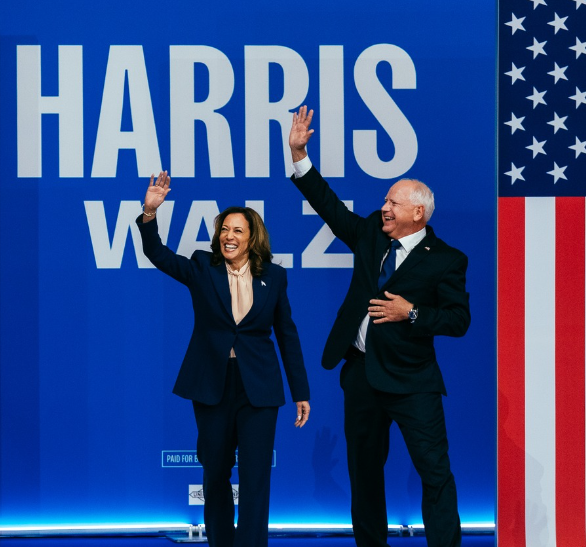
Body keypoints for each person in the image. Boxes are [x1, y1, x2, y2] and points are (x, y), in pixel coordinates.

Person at [288, 106, 470, 547]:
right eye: (385, 201)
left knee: (435, 474)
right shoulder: (371, 233)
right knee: (364, 475)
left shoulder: (447, 259)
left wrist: (411, 312)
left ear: (418, 214)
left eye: (392, 203)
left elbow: (458, 320)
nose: (383, 207)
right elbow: (330, 207)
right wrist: (299, 155)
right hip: (363, 375)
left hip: (412, 381)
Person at [136, 171, 311, 547]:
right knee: (215, 472)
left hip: (259, 388)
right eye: (224, 230)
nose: (229, 237)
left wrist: (301, 391)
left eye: (238, 231)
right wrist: (150, 214)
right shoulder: (203, 267)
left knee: (256, 475)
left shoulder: (275, 277)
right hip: (213, 383)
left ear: (252, 239)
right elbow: (158, 255)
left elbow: (287, 334)